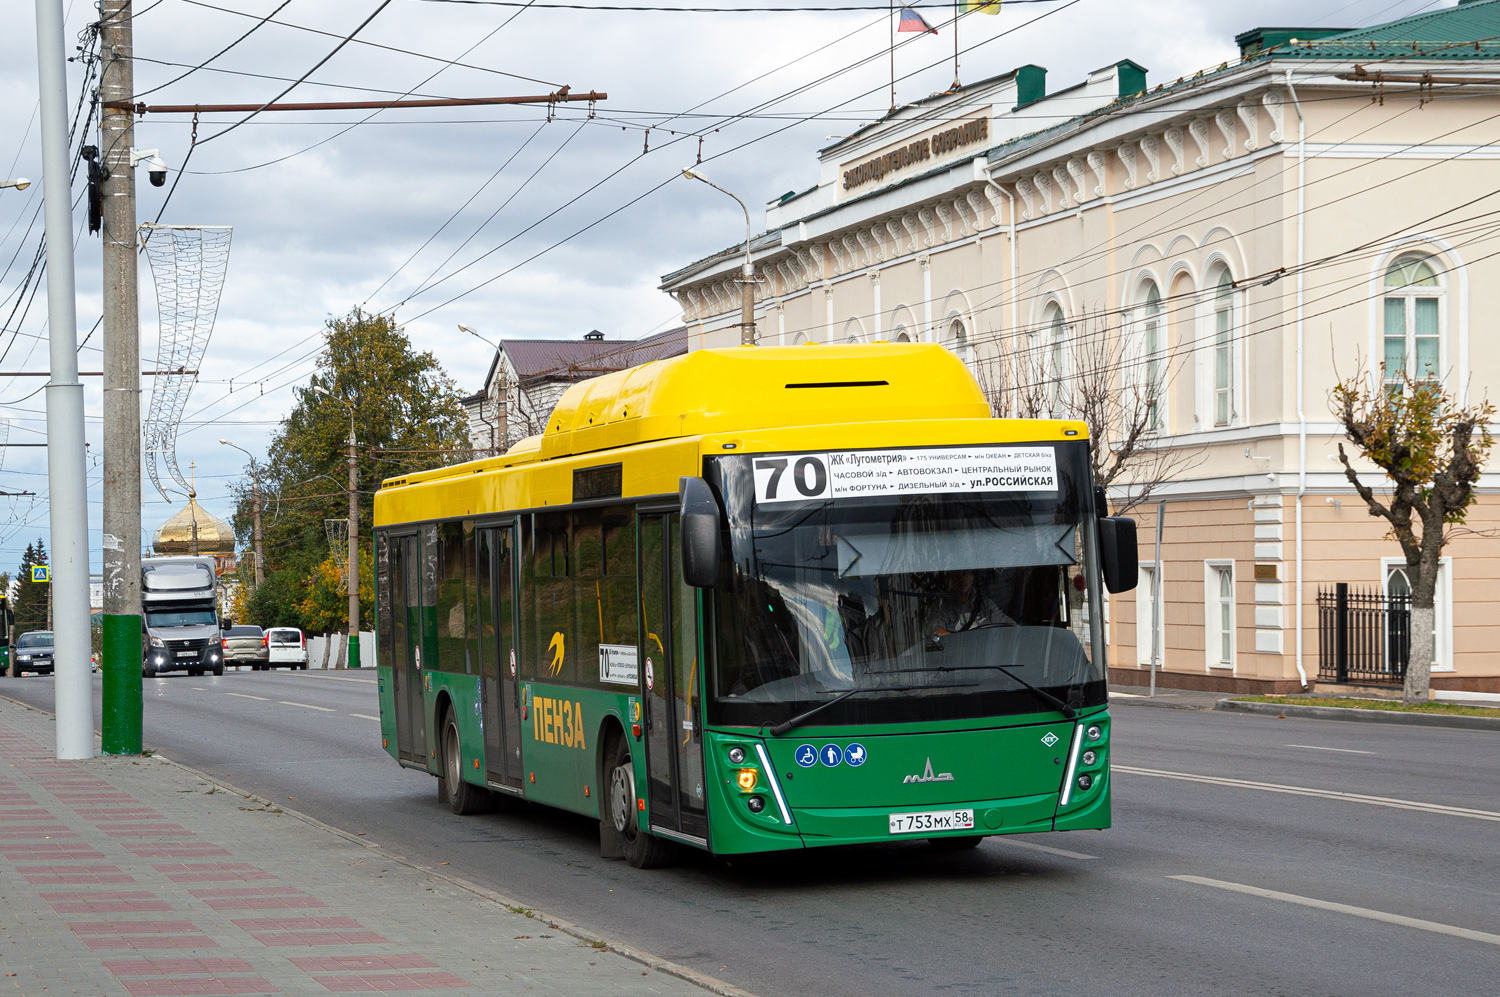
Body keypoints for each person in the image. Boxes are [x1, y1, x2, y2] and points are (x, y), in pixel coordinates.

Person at [928, 568, 1014, 636]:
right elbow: (935, 629)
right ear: (948, 579)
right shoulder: (941, 606)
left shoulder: (985, 604)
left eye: (966, 573)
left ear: (973, 578)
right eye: (958, 574)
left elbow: (1009, 626)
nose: (963, 579)